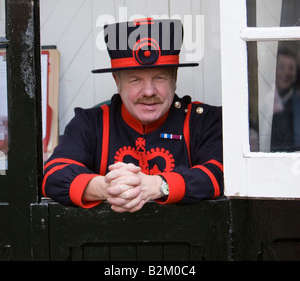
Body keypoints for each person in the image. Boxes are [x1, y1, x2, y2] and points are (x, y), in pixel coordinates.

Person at [42, 18, 223, 212]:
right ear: (116, 80)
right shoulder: (90, 123)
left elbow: (222, 172)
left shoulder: (204, 121)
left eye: (160, 77)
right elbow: (53, 174)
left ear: (175, 76)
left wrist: (158, 186)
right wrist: (107, 188)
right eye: (135, 79)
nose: (148, 91)